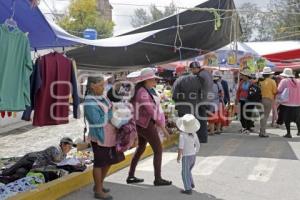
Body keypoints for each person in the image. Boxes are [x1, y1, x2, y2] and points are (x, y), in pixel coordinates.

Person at [126, 68, 172, 186]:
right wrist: (164, 129)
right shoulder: (142, 92)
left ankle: (131, 176)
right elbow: (151, 111)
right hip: (145, 125)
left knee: (140, 149)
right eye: (153, 79)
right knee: (158, 150)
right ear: (147, 80)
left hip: (141, 124)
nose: (155, 81)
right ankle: (158, 178)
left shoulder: (143, 90)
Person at [84, 76, 125, 200]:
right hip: (100, 138)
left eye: (103, 85)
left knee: (109, 161)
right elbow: (97, 121)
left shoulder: (102, 97)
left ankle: (99, 184)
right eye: (101, 85)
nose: (104, 87)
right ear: (92, 86)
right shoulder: (89, 102)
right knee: (100, 163)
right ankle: (98, 190)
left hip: (110, 135)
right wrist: (111, 112)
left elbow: (111, 107)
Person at [1, 137, 74, 183]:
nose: (70, 149)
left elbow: (57, 163)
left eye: (71, 147)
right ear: (63, 145)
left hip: (37, 164)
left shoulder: (64, 154)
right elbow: (52, 163)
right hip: (31, 158)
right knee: (10, 170)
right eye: (69, 147)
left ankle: (4, 179)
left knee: (19, 175)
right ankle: (3, 174)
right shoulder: (54, 149)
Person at [172, 61, 213, 143]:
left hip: (182, 107)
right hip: (196, 105)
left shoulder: (178, 80)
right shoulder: (199, 79)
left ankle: (185, 142)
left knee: (184, 125)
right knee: (196, 123)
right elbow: (202, 91)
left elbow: (174, 96)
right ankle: (198, 140)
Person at [176, 114, 200, 195]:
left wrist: (178, 157)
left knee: (184, 173)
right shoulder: (194, 134)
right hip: (193, 156)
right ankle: (191, 183)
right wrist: (195, 152)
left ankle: (188, 188)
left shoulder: (182, 135)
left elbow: (180, 148)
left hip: (186, 157)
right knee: (188, 170)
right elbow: (198, 145)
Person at [277, 68, 300, 138]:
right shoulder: (298, 81)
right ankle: (299, 131)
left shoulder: (284, 81)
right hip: (297, 104)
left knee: (287, 119)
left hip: (286, 103)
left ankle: (288, 133)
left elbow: (279, 90)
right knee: (298, 119)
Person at [259, 67, 277, 138]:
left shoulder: (260, 81)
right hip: (268, 99)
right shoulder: (272, 81)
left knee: (261, 116)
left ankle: (261, 131)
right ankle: (263, 132)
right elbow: (275, 91)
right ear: (269, 74)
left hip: (259, 100)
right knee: (265, 116)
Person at [236, 69, 255, 134]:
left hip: (249, 101)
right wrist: (237, 99)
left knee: (248, 114)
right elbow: (238, 91)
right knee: (241, 115)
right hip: (241, 100)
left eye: (242, 75)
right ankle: (244, 127)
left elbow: (253, 92)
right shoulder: (241, 82)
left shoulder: (252, 82)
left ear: (246, 76)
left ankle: (247, 128)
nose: (241, 76)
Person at [208, 70, 225, 135]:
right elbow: (222, 94)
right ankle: (218, 129)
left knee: (211, 117)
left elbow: (210, 96)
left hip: (212, 103)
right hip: (219, 103)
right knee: (219, 117)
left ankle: (212, 131)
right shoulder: (219, 84)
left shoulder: (211, 85)